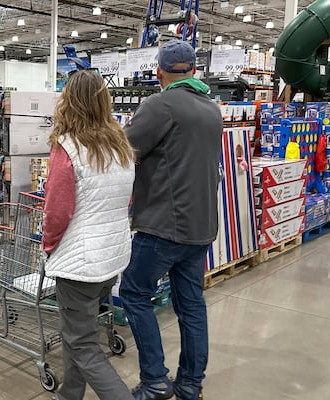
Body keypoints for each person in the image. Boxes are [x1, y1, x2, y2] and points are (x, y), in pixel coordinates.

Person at [119, 39, 223, 400]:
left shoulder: (159, 105)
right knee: (191, 305)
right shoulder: (212, 109)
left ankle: (156, 381)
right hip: (201, 227)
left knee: (134, 292)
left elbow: (124, 153)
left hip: (163, 226)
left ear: (159, 72)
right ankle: (191, 384)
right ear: (195, 70)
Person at [42, 70, 136, 400]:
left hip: (80, 264)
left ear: (68, 101)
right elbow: (127, 199)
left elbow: (57, 211)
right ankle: (69, 395)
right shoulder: (121, 144)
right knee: (78, 334)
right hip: (111, 258)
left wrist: (49, 246)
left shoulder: (67, 147)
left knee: (83, 344)